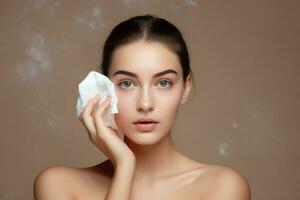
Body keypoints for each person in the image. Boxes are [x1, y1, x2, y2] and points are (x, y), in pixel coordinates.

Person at [33, 14, 251, 200]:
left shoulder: (222, 187)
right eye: (127, 84)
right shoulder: (59, 185)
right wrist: (125, 165)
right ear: (105, 89)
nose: (145, 104)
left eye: (163, 83)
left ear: (185, 88)